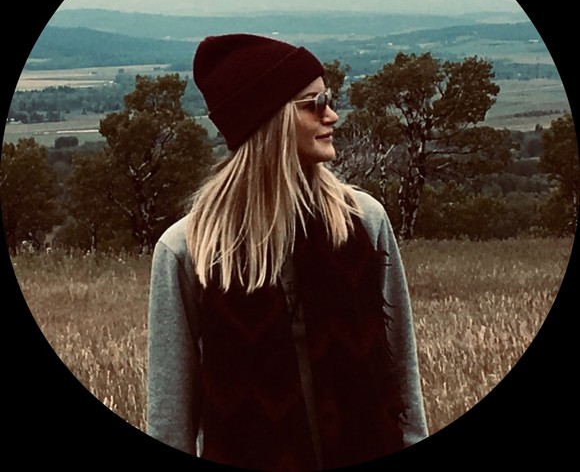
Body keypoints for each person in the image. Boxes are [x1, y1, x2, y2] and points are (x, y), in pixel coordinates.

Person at [146, 34, 428, 470]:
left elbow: (402, 376)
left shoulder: (363, 222)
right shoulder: (189, 250)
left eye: (328, 100)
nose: (331, 115)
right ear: (269, 120)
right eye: (314, 103)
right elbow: (170, 422)